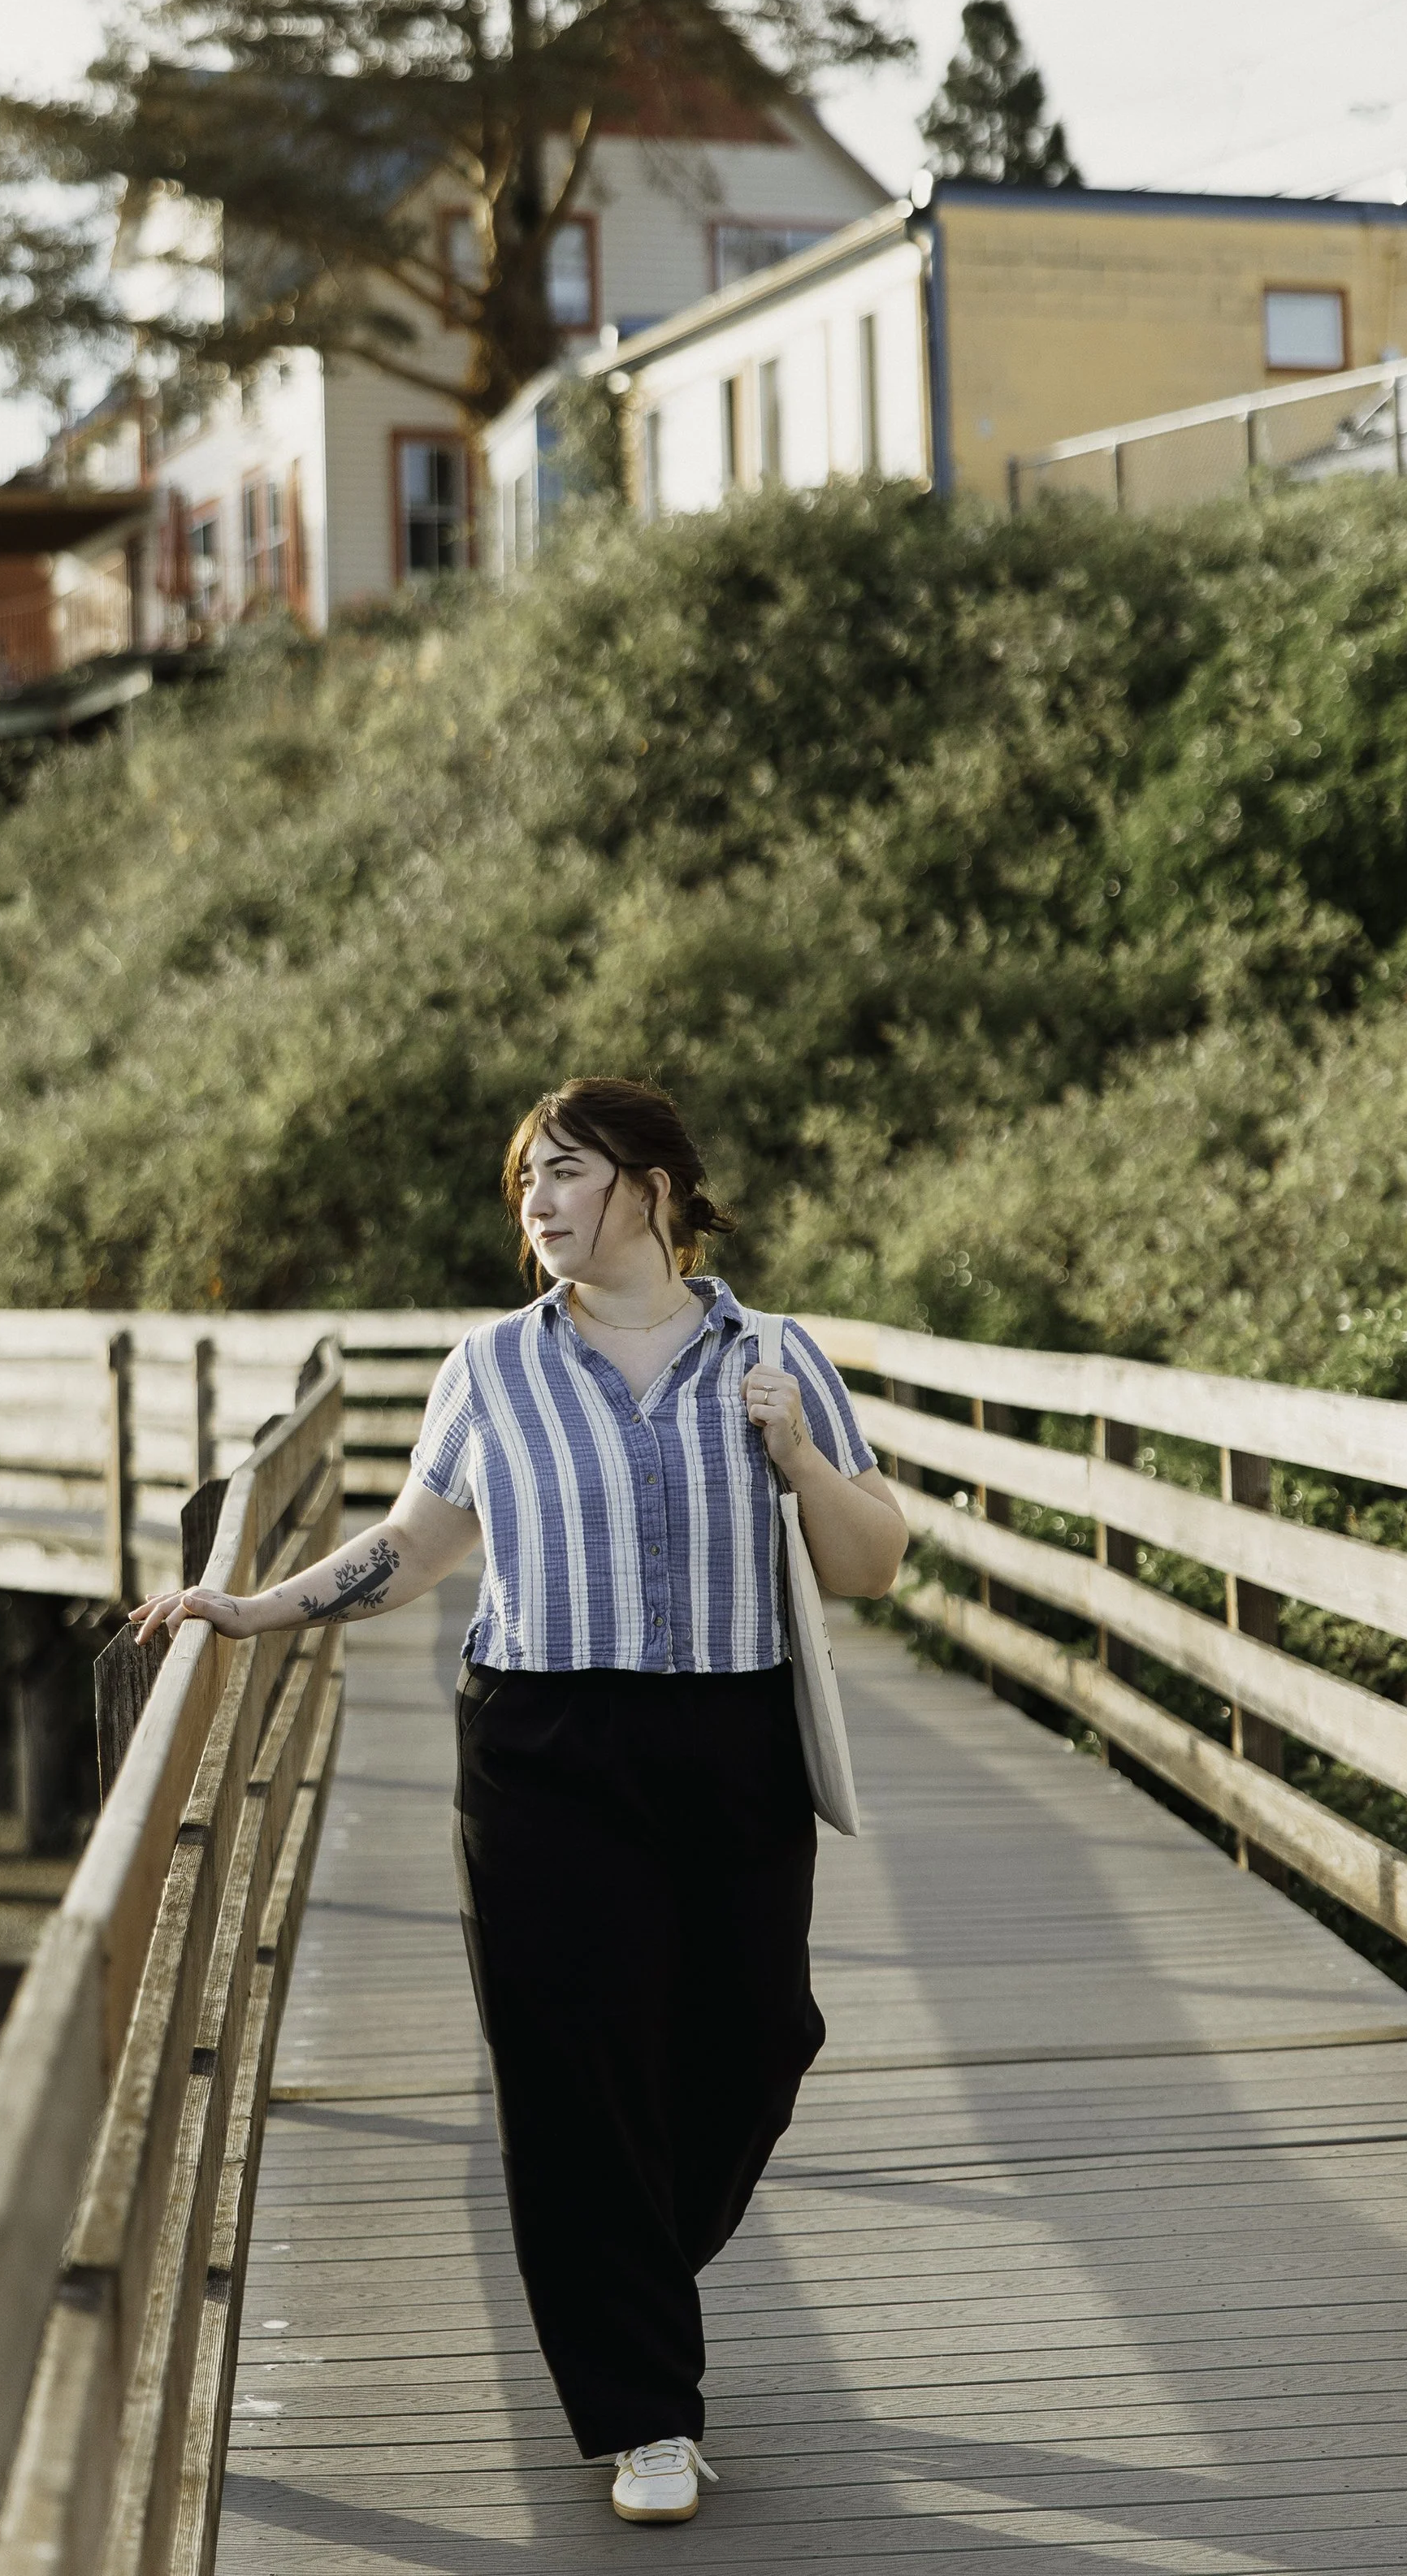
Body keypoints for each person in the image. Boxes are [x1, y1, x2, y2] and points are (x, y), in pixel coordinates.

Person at [132, 1076, 908, 2524]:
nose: (540, 1203)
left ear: (655, 1186)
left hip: (731, 1741)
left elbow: (872, 1564)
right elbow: (414, 1547)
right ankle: (644, 2415)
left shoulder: (776, 1352)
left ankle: (618, 2270)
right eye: (527, 1182)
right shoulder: (491, 1366)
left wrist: (796, 1454)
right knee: (574, 2074)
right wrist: (250, 1610)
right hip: (544, 1748)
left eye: (568, 1173)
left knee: (762, 2037)